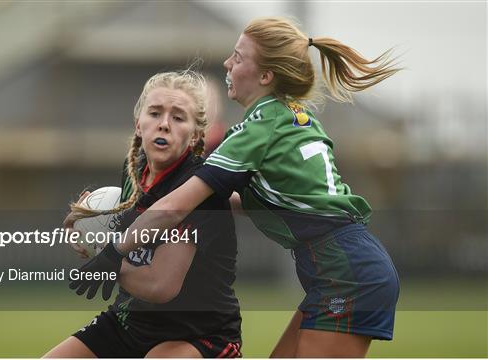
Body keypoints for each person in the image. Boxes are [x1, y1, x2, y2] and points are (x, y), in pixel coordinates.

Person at [71, 17, 401, 357]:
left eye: (238, 57)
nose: (228, 64)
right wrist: (111, 215)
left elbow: (179, 204)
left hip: (346, 272)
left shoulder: (256, 128)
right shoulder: (294, 115)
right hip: (344, 266)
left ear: (265, 76)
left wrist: (113, 252)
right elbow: (243, 200)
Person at [45, 70, 242, 358]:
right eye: (155, 113)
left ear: (196, 134)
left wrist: (104, 254)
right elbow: (120, 240)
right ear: (139, 124)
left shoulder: (199, 190)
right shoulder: (134, 172)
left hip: (199, 335)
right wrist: (87, 227)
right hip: (131, 323)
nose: (164, 124)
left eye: (178, 117)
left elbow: (159, 285)